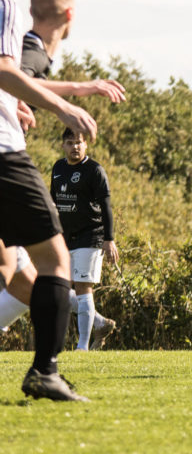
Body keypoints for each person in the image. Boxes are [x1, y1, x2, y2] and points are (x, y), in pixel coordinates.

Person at [0, 0, 98, 401]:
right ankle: (45, 371)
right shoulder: (5, 4)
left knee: (9, 270)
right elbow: (6, 69)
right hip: (1, 152)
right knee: (54, 258)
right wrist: (64, 105)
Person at [0, 0, 125, 344]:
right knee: (43, 265)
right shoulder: (32, 47)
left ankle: (83, 322)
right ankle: (47, 369)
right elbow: (12, 74)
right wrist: (67, 100)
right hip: (6, 158)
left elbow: (16, 79)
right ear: (70, 15)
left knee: (18, 275)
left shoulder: (26, 45)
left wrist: (29, 99)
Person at [49, 128, 118, 351]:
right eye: (70, 143)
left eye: (79, 142)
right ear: (63, 145)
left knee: (82, 288)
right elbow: (53, 202)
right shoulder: (58, 168)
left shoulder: (94, 170)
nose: (75, 147)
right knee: (57, 288)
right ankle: (99, 323)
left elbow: (106, 206)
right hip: (65, 238)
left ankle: (82, 347)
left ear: (86, 144)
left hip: (91, 236)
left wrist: (109, 239)